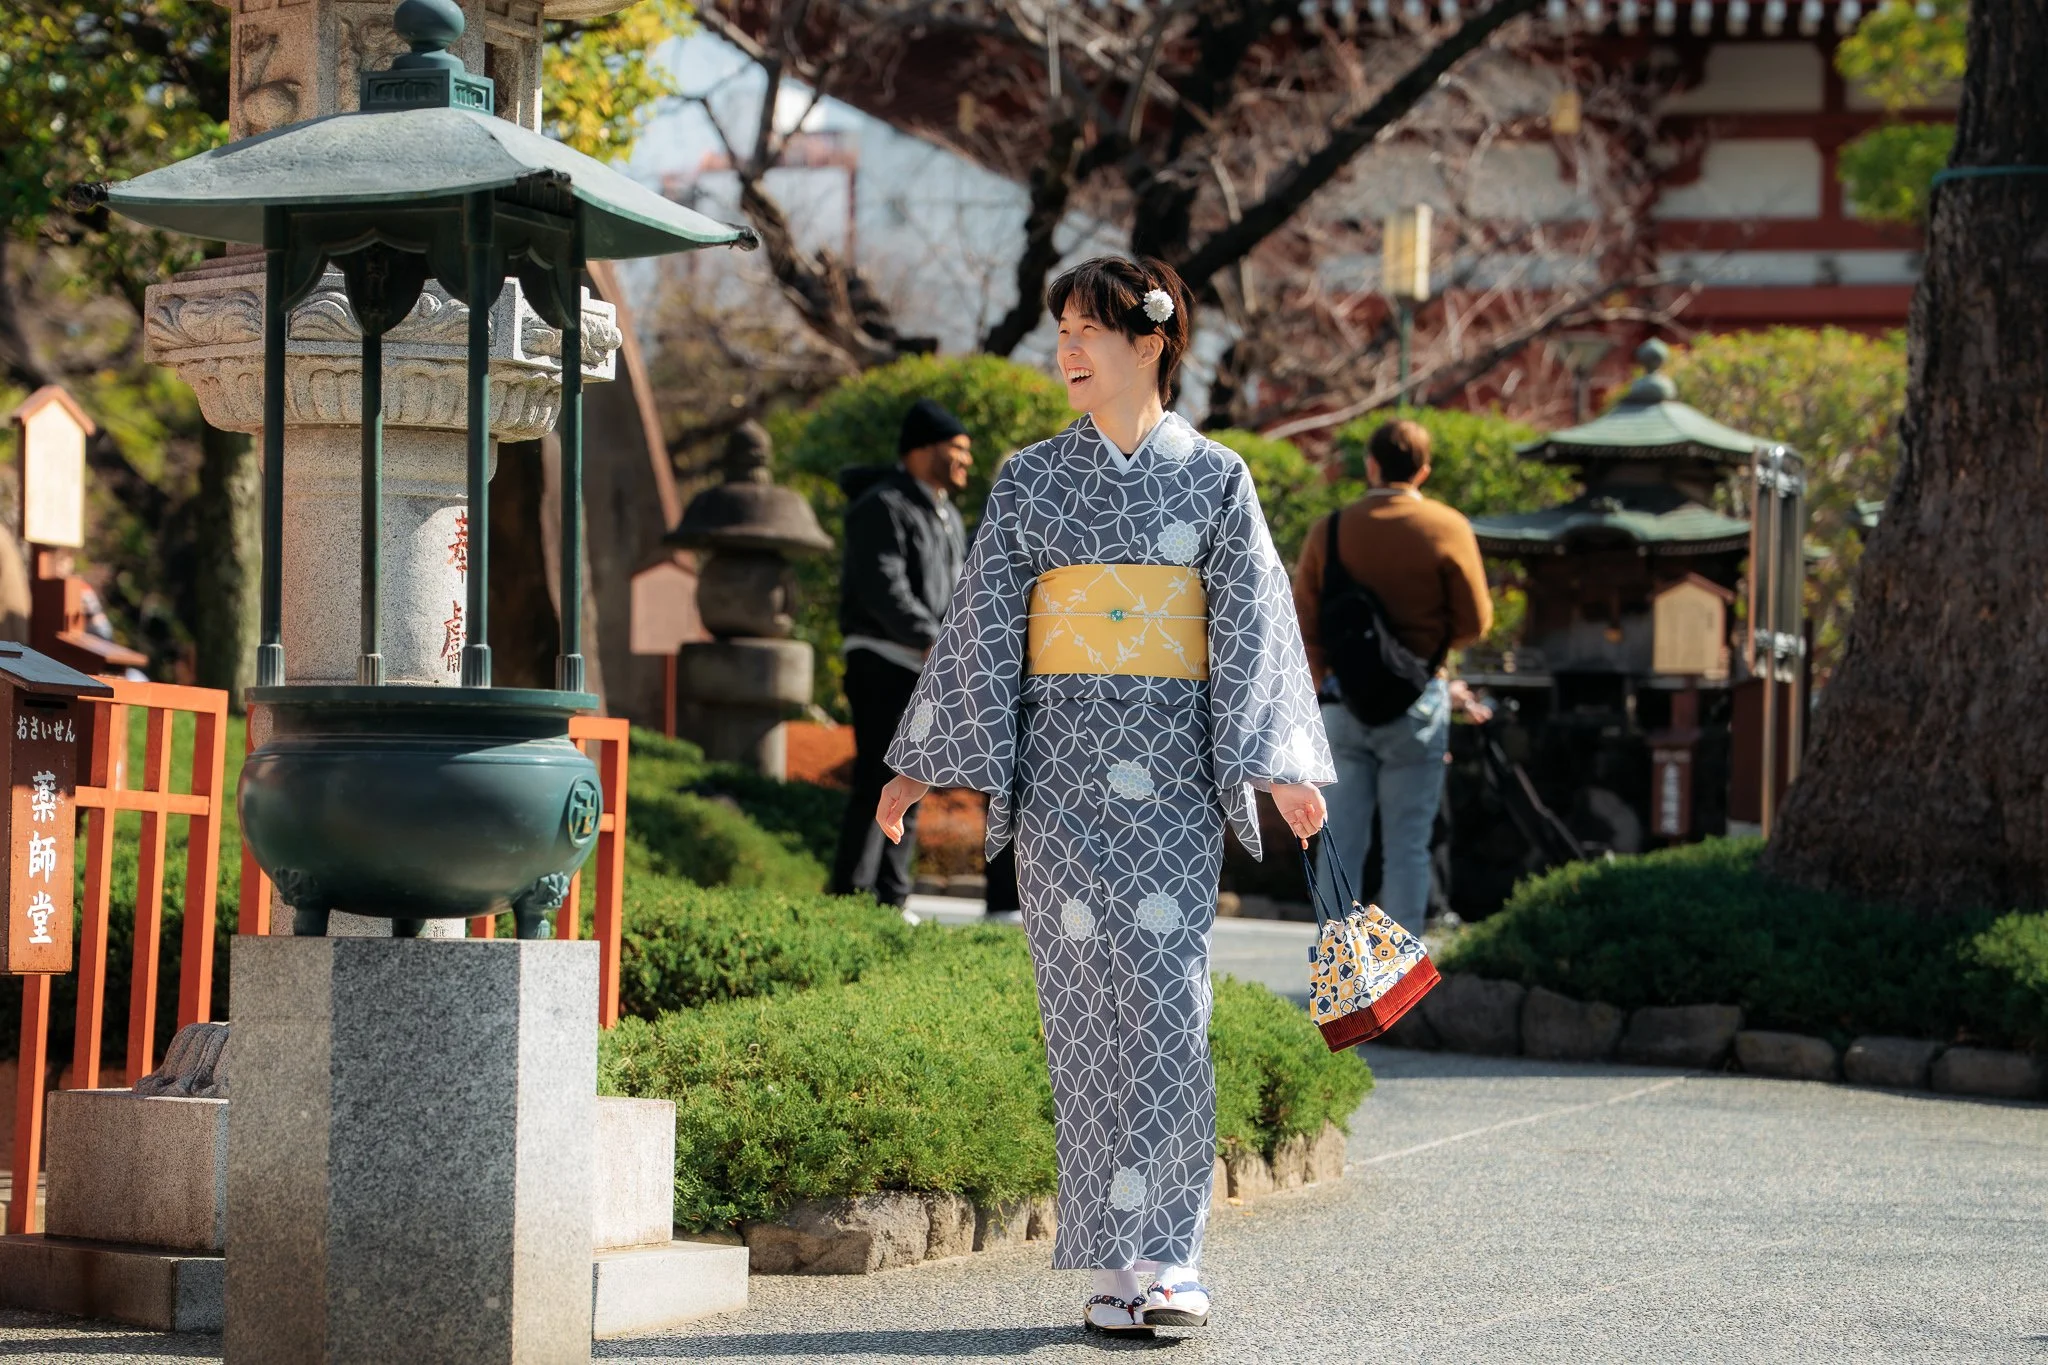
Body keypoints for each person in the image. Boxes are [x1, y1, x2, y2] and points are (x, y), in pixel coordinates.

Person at [875, 257, 1332, 1336]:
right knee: (1082, 1021)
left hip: (1171, 786)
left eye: (1088, 329)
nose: (1066, 349)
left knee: (1172, 1011)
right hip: (1062, 792)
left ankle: (1167, 1255)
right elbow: (984, 624)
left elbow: (1255, 624)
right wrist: (918, 761)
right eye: (1061, 330)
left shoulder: (1214, 478)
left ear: (1152, 342)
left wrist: (1279, 762)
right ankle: (1109, 1263)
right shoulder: (1031, 481)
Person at [1292, 418, 1491, 936]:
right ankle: (1402, 986)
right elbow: (1475, 623)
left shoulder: (1330, 530)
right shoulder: (1447, 528)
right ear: (1423, 471)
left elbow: (1302, 625)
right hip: (1416, 703)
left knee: (1340, 843)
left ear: (1371, 464)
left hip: (1341, 704)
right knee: (1409, 843)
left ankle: (1343, 980)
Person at [826, 398, 973, 906]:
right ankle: (851, 893)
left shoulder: (947, 514)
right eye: (957, 449)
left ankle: (892, 898)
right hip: (882, 660)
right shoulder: (882, 505)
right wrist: (929, 634)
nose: (966, 461)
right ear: (922, 449)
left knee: (914, 777)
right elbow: (882, 585)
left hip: (926, 664)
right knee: (877, 776)